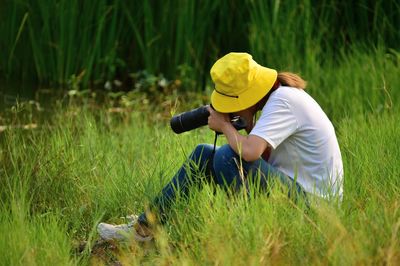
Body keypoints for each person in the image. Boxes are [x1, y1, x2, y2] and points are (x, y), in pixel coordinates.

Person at [97, 52, 343, 242]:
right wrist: (242, 124)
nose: (230, 110)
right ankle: (146, 228)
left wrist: (226, 126)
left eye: (232, 103)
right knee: (203, 153)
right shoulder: (278, 97)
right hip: (299, 196)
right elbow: (261, 154)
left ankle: (241, 234)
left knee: (227, 155)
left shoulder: (284, 102)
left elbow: (249, 153)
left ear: (248, 95)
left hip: (316, 211)